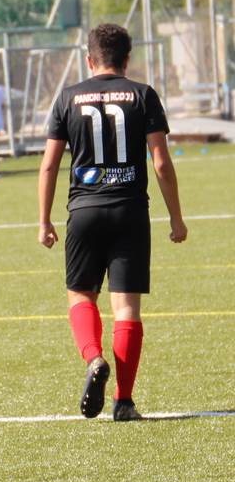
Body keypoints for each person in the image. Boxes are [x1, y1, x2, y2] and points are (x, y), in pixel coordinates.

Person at [39, 23, 187, 422]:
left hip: (83, 212)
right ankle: (124, 401)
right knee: (126, 308)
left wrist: (44, 220)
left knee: (80, 296)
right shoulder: (143, 95)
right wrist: (176, 217)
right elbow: (160, 162)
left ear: (90, 60)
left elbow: (49, 164)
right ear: (127, 59)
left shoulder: (68, 97)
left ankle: (93, 358)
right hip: (130, 211)